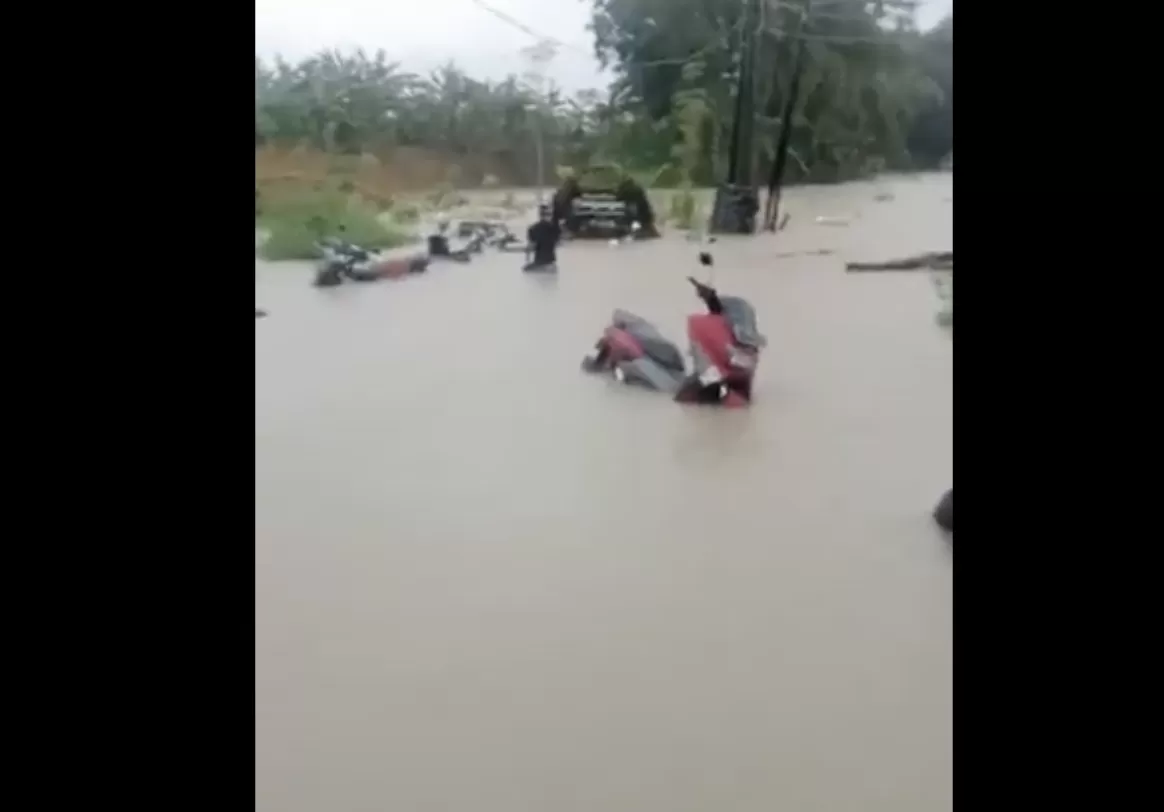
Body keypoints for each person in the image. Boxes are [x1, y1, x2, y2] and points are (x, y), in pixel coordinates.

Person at [524, 204, 560, 271]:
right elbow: (557, 243)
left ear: (539, 215)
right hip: (551, 265)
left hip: (539, 263)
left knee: (526, 270)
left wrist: (527, 260)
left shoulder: (532, 228)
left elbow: (530, 247)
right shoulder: (555, 229)